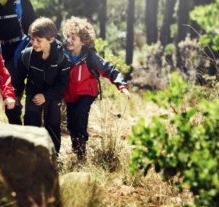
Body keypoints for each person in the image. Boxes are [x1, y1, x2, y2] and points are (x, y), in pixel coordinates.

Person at [62, 16, 131, 160]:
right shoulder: (62, 54)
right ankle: (76, 149)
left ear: (83, 40)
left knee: (80, 115)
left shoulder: (90, 55)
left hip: (87, 93)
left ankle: (81, 152)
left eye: (73, 37)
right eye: (67, 36)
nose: (69, 40)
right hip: (70, 94)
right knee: (71, 123)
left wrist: (121, 85)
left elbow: (109, 69)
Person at [13, 17, 70, 155]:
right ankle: (30, 154)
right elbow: (20, 77)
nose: (34, 43)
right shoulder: (27, 55)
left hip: (53, 94)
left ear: (50, 39)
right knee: (31, 122)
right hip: (33, 91)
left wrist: (46, 96)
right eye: (32, 39)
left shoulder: (61, 58)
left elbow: (63, 84)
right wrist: (17, 96)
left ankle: (53, 156)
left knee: (53, 124)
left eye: (39, 40)